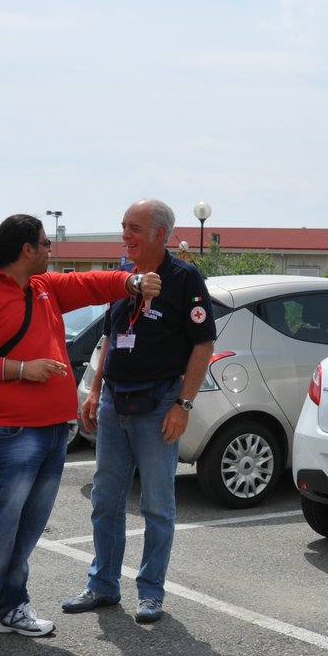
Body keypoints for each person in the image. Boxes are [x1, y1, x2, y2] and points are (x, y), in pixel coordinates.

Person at [0, 214, 157, 656]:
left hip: (52, 430)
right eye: (43, 243)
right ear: (25, 250)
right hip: (4, 431)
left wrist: (132, 284)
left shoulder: (42, 287)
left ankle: (8, 608)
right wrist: (21, 369)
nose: (49, 250)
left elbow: (93, 285)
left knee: (25, 528)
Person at [62, 199, 215, 626]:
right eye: (123, 226)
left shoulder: (184, 279)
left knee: (157, 505)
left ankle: (151, 593)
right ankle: (103, 585)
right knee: (105, 499)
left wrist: (183, 406)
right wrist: (94, 391)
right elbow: (111, 336)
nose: (125, 235)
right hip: (114, 401)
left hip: (158, 404)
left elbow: (203, 345)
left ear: (160, 235)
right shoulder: (124, 277)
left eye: (134, 228)